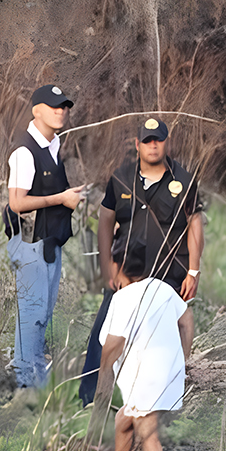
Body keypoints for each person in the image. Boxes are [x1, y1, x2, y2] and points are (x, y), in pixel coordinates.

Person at [78, 117, 204, 406]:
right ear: (137, 144)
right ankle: (91, 399)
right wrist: (109, 266)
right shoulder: (121, 178)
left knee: (172, 333)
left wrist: (193, 270)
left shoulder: (183, 180)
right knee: (105, 333)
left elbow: (194, 223)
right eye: (147, 140)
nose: (153, 145)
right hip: (127, 273)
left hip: (168, 274)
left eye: (158, 139)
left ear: (165, 142)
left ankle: (168, 395)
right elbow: (106, 221)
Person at [96, 251, 194, 451]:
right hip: (167, 371)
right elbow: (186, 320)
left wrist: (102, 378)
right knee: (123, 421)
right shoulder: (161, 287)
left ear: (120, 269)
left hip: (145, 378)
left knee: (147, 433)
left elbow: (113, 344)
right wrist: (183, 359)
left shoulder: (123, 297)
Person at [4, 85, 86, 393]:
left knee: (42, 315)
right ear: (36, 110)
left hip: (50, 244)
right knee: (32, 314)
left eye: (64, 106)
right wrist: (61, 198)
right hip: (31, 245)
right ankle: (27, 386)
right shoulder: (24, 153)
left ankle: (35, 381)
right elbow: (17, 203)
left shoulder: (54, 144)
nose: (61, 111)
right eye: (53, 106)